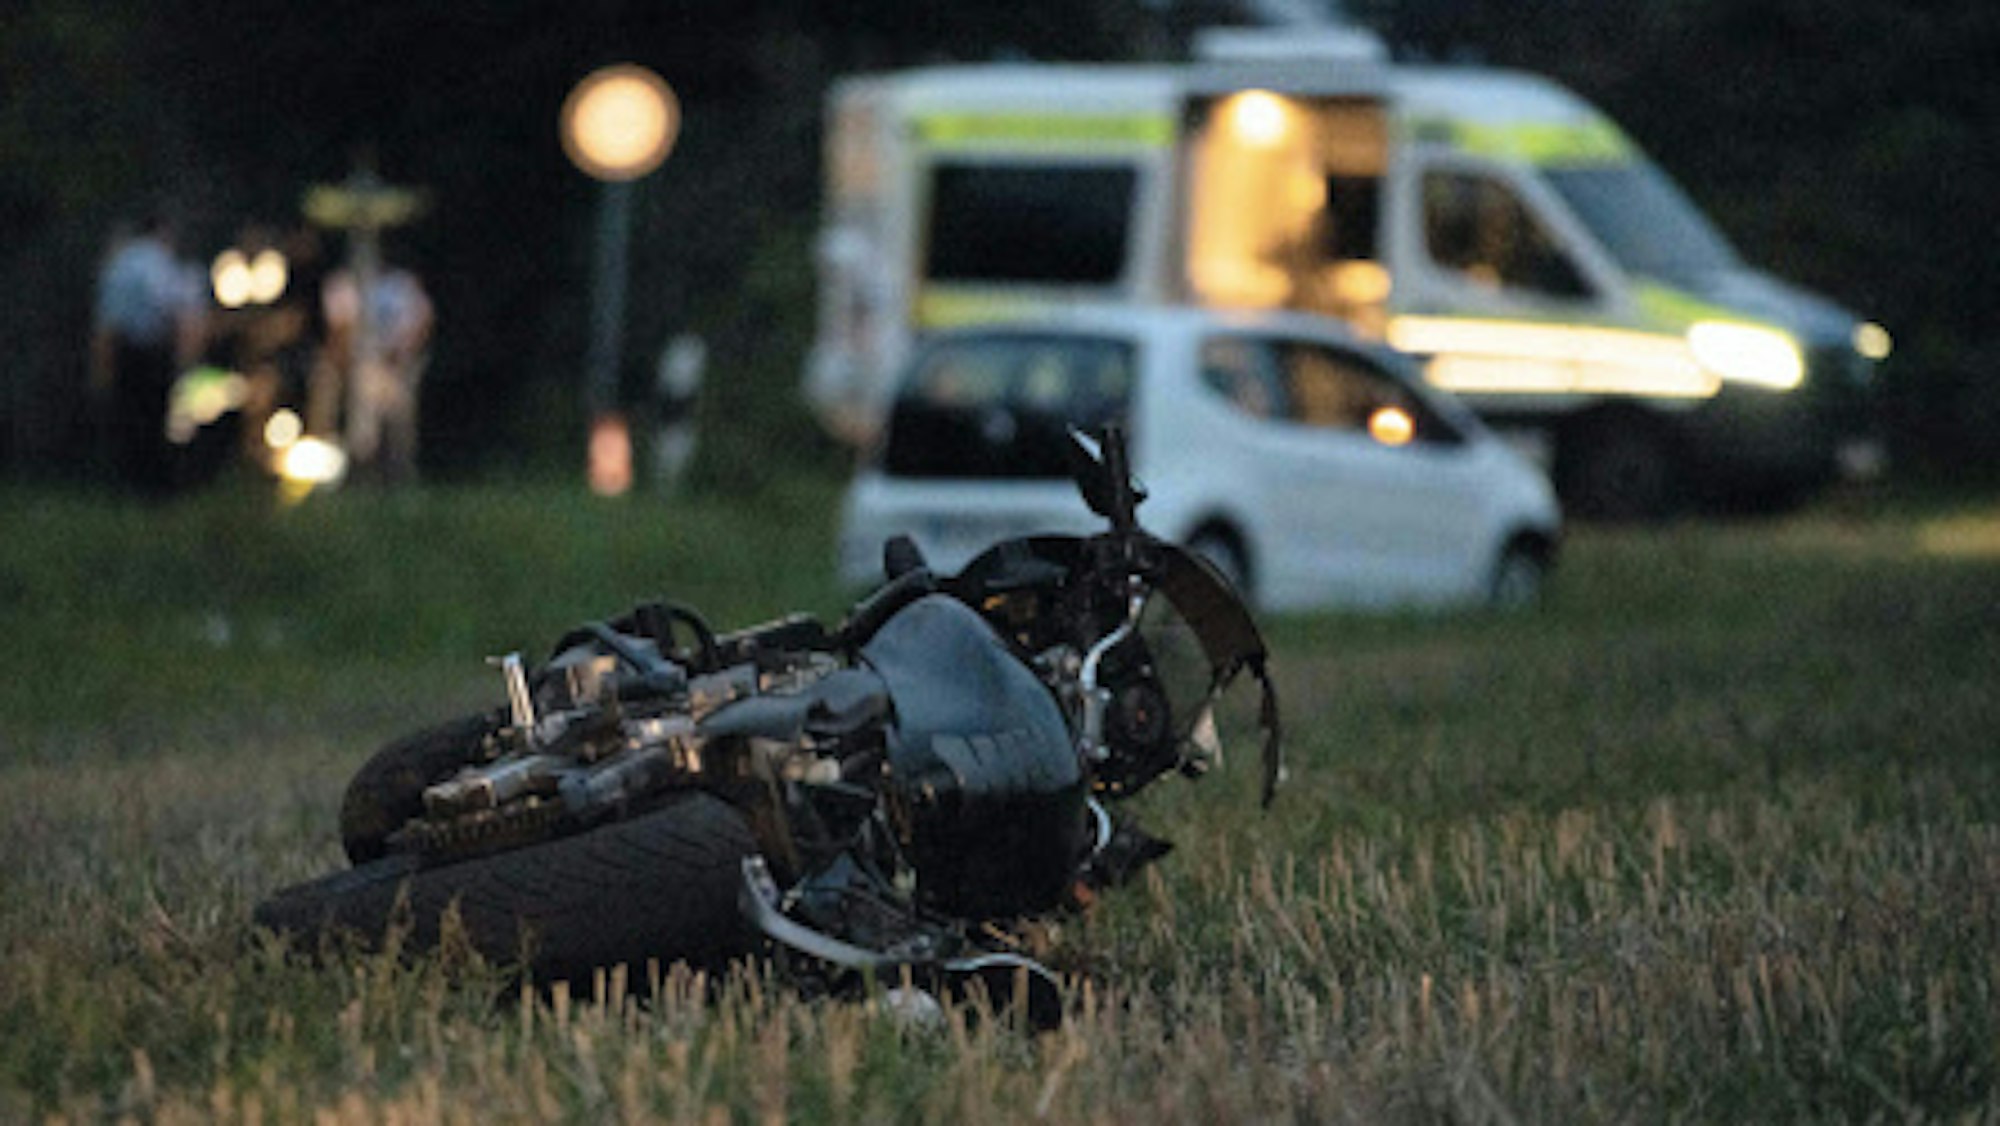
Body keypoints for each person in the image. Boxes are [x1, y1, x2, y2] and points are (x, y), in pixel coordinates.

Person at [91, 211, 205, 493]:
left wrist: (102, 367)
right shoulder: (165, 266)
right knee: (156, 421)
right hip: (156, 353)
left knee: (128, 420)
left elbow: (108, 324)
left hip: (126, 352)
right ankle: (156, 487)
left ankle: (127, 483)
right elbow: (183, 314)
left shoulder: (119, 265)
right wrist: (186, 359)